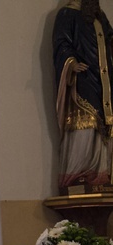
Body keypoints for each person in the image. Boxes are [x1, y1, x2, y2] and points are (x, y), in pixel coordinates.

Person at [53, 0, 113, 190]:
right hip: (82, 79)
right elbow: (61, 44)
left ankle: (100, 177)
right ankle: (78, 176)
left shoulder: (100, 17)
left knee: (103, 129)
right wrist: (71, 63)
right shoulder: (67, 14)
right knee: (85, 126)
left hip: (104, 82)